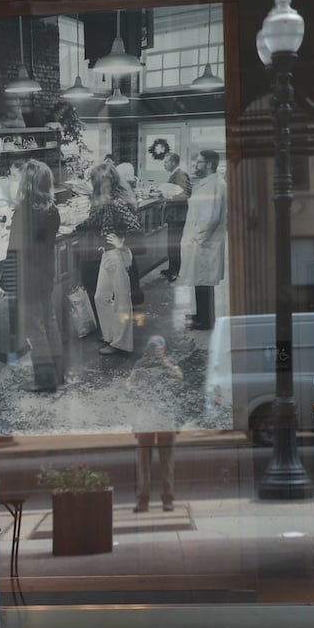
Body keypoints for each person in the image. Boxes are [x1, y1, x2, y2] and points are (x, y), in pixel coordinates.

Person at [12, 159, 64, 391]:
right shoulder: (52, 210)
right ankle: (58, 374)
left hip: (29, 278)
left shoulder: (23, 212)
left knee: (36, 330)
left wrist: (5, 282)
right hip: (46, 274)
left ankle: (45, 381)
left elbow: (14, 250)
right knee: (50, 323)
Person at [81, 162, 140, 356]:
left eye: (97, 182)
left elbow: (136, 228)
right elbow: (93, 223)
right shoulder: (107, 199)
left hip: (117, 255)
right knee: (101, 297)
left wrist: (121, 243)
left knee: (122, 299)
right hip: (107, 254)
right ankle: (109, 335)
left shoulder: (117, 201)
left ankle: (122, 343)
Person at [126, 335, 183, 512]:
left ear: (164, 349)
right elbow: (129, 386)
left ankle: (168, 498)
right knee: (143, 462)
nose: (156, 351)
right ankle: (143, 499)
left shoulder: (171, 362)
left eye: (158, 348)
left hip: (165, 417)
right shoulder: (140, 364)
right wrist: (143, 366)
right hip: (146, 416)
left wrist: (165, 363)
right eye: (153, 348)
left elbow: (180, 380)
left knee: (167, 462)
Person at [180, 149, 227, 331]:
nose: (195, 165)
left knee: (204, 282)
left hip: (204, 243)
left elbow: (211, 219)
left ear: (208, 165)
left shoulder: (215, 185)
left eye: (198, 162)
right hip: (201, 242)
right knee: (200, 282)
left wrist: (198, 239)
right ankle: (201, 315)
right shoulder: (207, 183)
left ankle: (205, 320)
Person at [159, 152, 193, 282]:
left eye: (166, 162)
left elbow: (187, 194)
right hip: (174, 216)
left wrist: (170, 198)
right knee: (172, 244)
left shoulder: (180, 174)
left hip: (177, 217)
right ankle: (171, 268)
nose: (164, 165)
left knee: (174, 244)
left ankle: (174, 271)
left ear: (173, 162)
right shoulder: (175, 174)